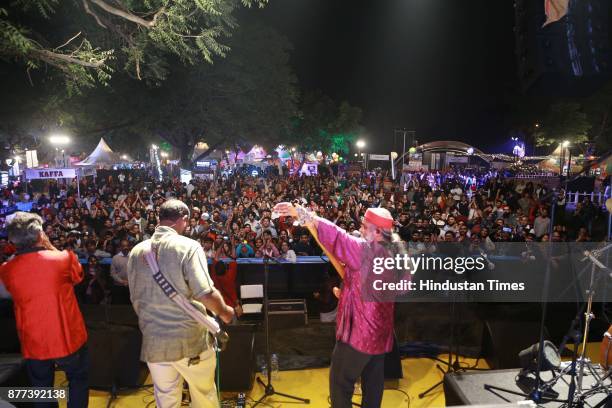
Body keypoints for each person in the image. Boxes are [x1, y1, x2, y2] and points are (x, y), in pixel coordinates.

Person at [274, 202, 403, 408]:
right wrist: (350, 292)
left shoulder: (365, 250)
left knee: (341, 384)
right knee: (373, 384)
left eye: (364, 226)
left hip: (358, 335)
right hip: (381, 335)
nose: (360, 229)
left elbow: (337, 235)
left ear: (378, 232)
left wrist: (301, 213)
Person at [127, 199, 234, 408]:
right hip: (189, 341)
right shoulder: (188, 246)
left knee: (166, 398)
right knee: (203, 395)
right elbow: (205, 293)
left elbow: (134, 298)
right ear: (184, 220)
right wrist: (224, 311)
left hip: (154, 343)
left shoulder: (136, 251)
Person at [0, 212, 89, 407]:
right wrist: (50, 247)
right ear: (40, 235)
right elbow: (78, 277)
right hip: (68, 339)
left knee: (41, 389)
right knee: (78, 380)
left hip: (33, 342)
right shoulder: (64, 258)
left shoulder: (6, 269)